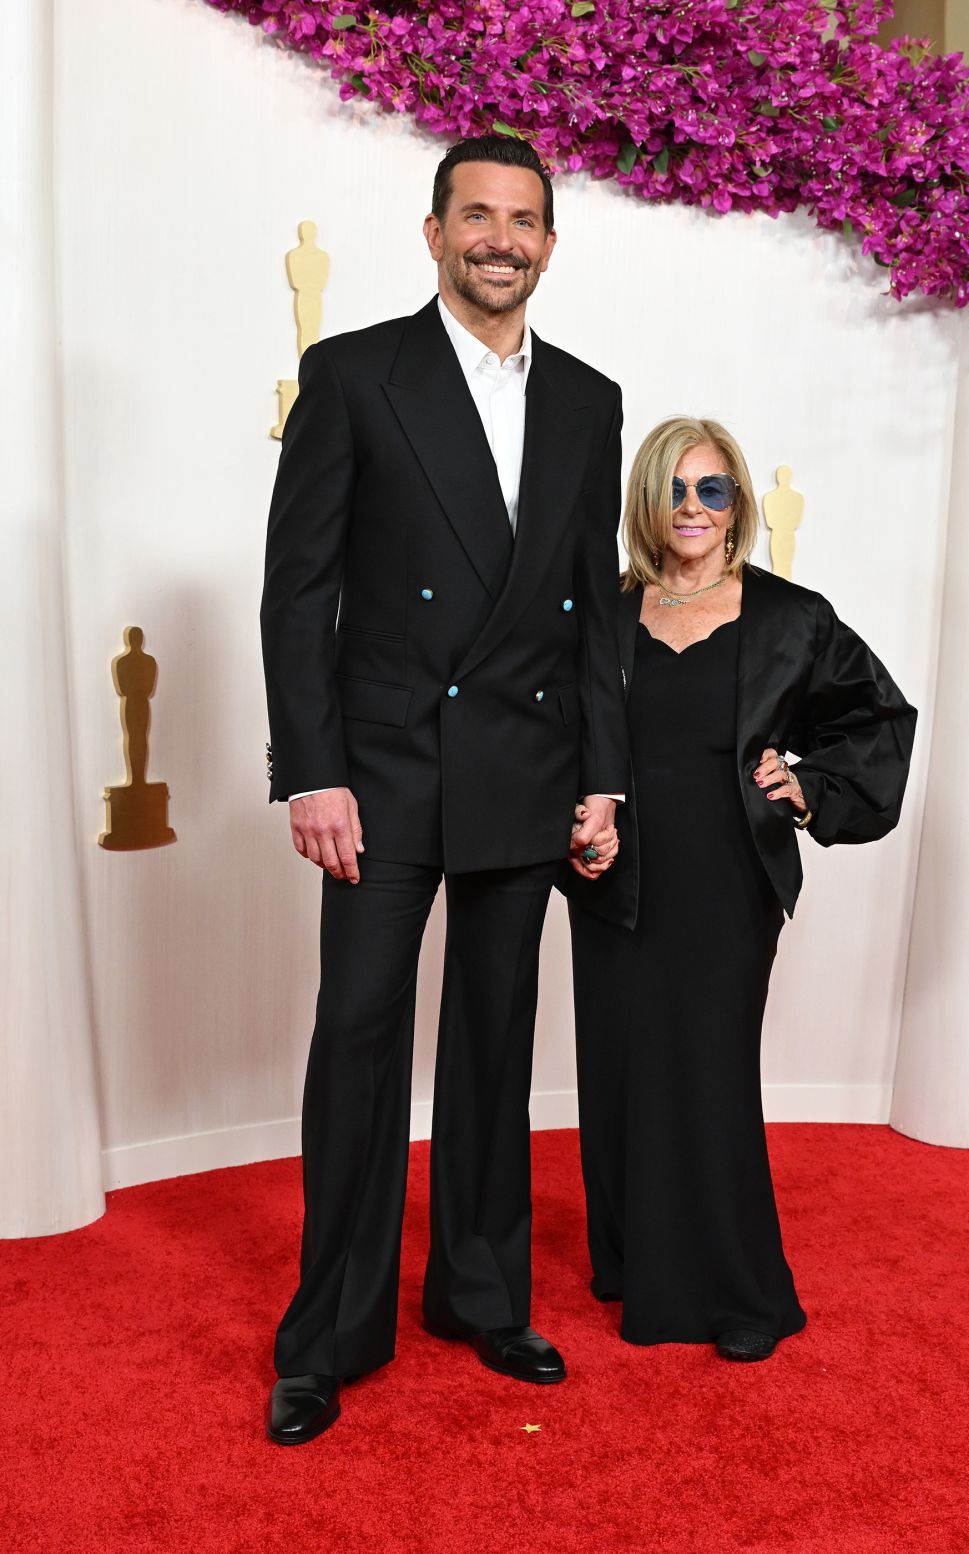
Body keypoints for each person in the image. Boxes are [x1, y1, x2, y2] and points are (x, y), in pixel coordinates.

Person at [260, 135, 627, 1445]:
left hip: (525, 772)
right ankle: (330, 1333)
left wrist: (602, 780)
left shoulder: (588, 398)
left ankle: (480, 1292)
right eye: (476, 215)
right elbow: (299, 591)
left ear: (546, 240)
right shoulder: (355, 373)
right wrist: (310, 767)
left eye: (523, 219)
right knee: (357, 1042)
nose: (500, 239)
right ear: (432, 233)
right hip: (384, 771)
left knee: (492, 1045)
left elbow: (593, 612)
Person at [563, 417, 916, 1361]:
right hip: (616, 877)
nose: (692, 507)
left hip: (729, 877)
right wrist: (575, 822)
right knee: (622, 1064)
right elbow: (554, 735)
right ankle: (635, 1262)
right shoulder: (604, 612)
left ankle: (735, 1293)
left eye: (711, 489)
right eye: (675, 489)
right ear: (648, 502)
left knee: (709, 1068)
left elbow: (879, 715)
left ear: (737, 505)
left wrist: (812, 787)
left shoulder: (790, 617)